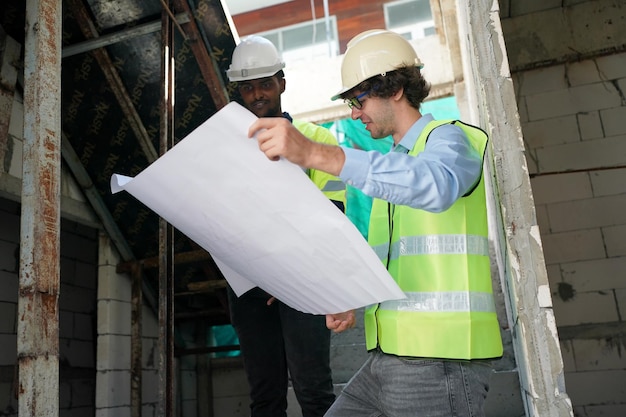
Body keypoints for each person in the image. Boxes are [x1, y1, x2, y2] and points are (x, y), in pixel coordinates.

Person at [248, 29, 504, 417]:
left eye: (358, 99)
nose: (354, 113)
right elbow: (400, 259)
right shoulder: (394, 165)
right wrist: (351, 296)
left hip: (441, 361)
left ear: (395, 89)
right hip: (389, 357)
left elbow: (437, 184)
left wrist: (317, 154)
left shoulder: (450, 141)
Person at [225, 35, 345, 417]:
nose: (258, 94)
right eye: (248, 87)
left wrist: (285, 271)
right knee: (265, 398)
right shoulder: (224, 150)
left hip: (303, 283)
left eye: (265, 84)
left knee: (315, 393)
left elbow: (333, 217)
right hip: (248, 288)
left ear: (282, 84)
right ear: (238, 91)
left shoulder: (318, 141)